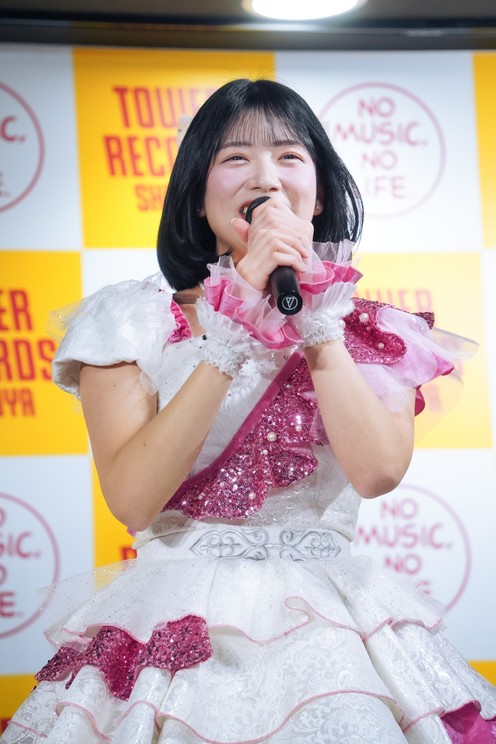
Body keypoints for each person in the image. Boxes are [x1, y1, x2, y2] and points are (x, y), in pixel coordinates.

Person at [2, 78, 495, 744]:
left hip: (335, 626)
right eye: (236, 157)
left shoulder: (374, 331)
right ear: (196, 195)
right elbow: (133, 498)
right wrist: (231, 329)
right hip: (177, 624)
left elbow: (378, 470)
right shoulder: (132, 318)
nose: (265, 176)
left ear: (320, 193)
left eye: (289, 156)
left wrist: (318, 321)